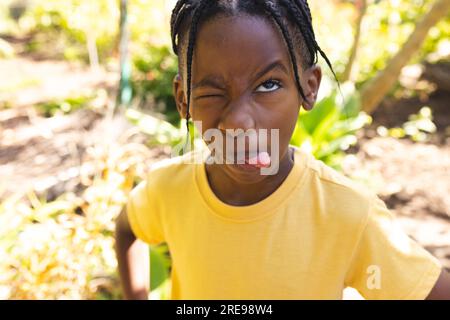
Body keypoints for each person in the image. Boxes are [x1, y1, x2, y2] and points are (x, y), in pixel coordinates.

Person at [115, 0, 450, 299]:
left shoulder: (347, 215)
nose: (239, 122)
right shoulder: (168, 188)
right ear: (183, 99)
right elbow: (127, 228)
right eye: (212, 93)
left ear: (309, 87)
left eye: (268, 85)